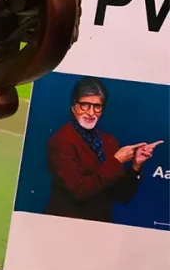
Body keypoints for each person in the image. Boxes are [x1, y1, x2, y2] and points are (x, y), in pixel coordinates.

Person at [46, 77, 156, 222]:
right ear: (73, 107)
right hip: (66, 224)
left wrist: (136, 166)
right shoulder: (61, 140)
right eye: (85, 105)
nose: (91, 113)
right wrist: (116, 161)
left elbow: (122, 196)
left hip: (101, 225)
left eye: (97, 106)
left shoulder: (109, 141)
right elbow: (78, 192)